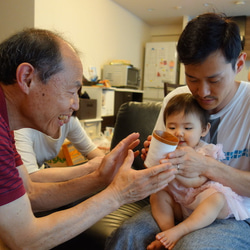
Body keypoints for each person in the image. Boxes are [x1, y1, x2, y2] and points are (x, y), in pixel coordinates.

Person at [0, 28, 177, 249]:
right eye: (72, 91)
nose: (75, 104)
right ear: (27, 78)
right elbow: (24, 239)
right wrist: (118, 194)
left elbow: (30, 193)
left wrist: (100, 178)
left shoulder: (6, 127)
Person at [105, 13, 250, 250]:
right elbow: (157, 169)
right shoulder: (177, 100)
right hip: (177, 201)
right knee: (127, 236)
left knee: (192, 246)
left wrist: (206, 166)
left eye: (214, 80)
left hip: (233, 214)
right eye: (192, 78)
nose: (202, 91)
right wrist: (152, 157)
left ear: (239, 64)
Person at [147, 93, 250, 250]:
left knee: (216, 199)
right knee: (157, 195)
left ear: (203, 130)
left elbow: (199, 181)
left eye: (187, 128)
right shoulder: (167, 151)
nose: (178, 133)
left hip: (202, 199)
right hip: (180, 202)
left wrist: (175, 172)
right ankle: (167, 232)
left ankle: (181, 230)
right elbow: (153, 174)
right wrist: (152, 156)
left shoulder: (204, 151)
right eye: (172, 127)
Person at [14, 115, 105, 183]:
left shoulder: (68, 119)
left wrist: (108, 162)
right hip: (20, 183)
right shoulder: (20, 127)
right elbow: (30, 177)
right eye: (70, 93)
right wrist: (88, 168)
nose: (75, 105)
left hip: (41, 171)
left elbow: (90, 150)